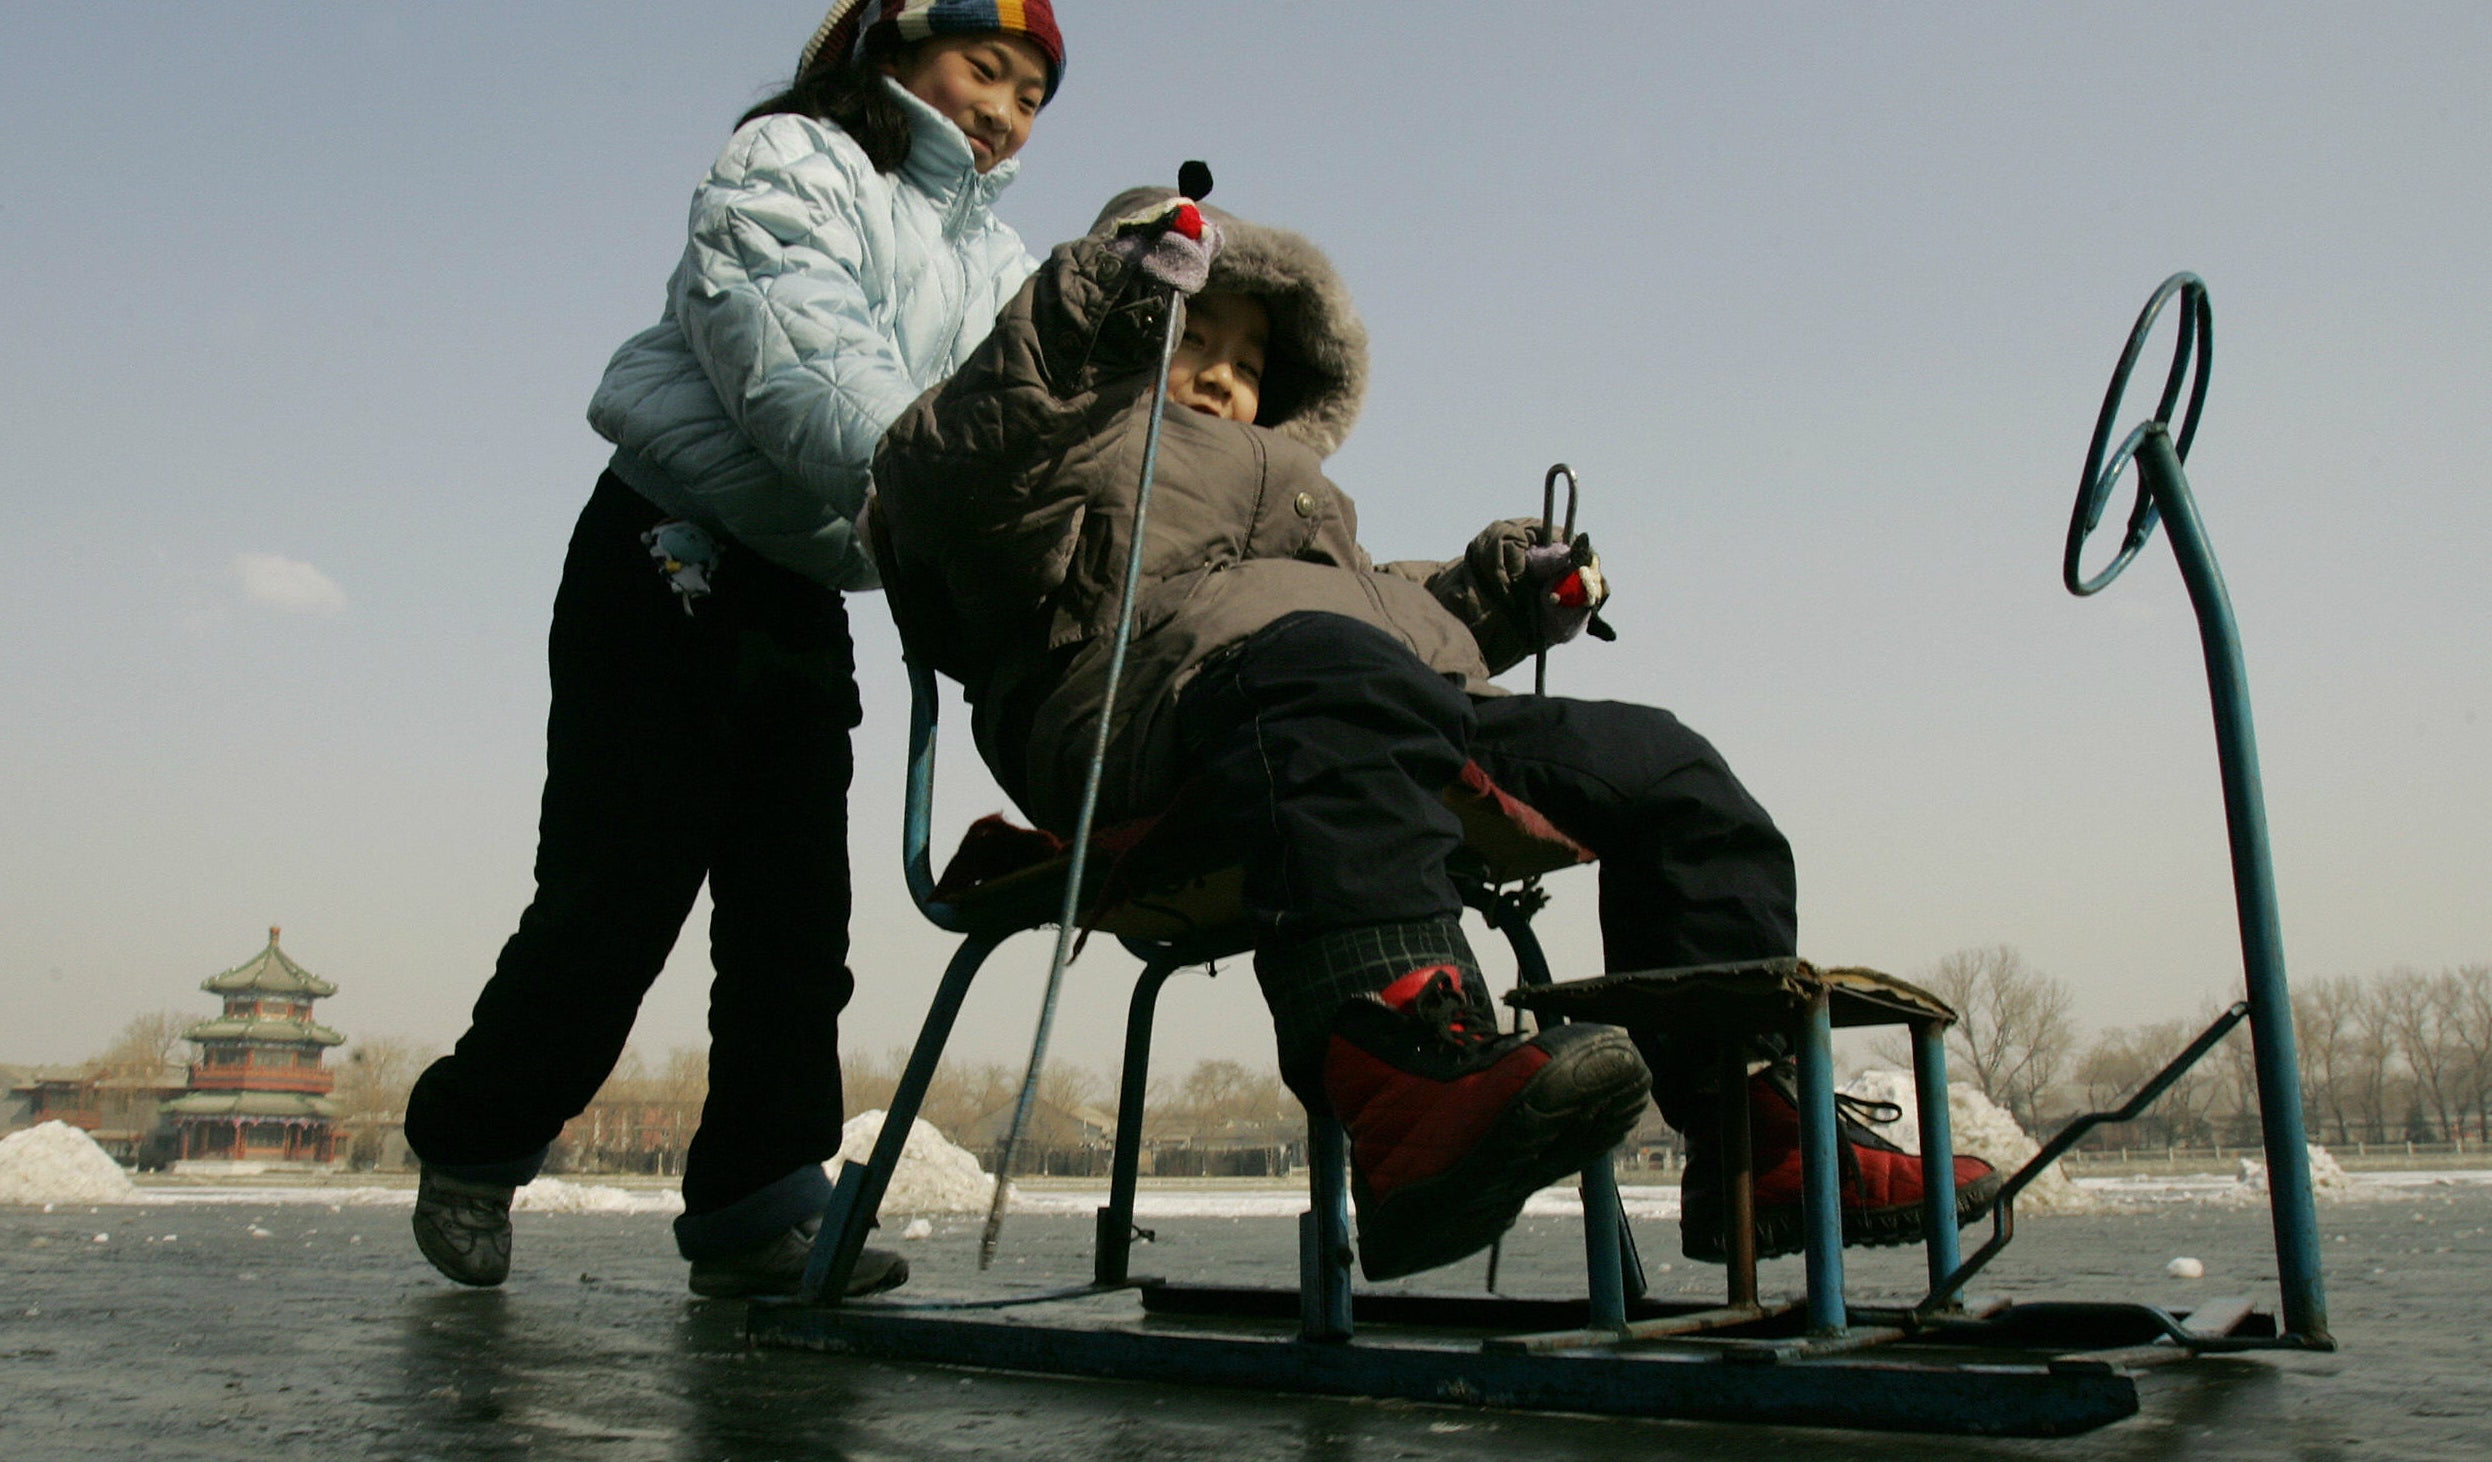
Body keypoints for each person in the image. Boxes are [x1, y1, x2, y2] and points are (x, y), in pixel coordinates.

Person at [871, 189, 2000, 1277]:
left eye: (1250, 361)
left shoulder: (1301, 502)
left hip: (1344, 699)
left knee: (1662, 764)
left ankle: (1757, 1129)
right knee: (1330, 669)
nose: (1221, 372)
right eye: (1190, 333)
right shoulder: (1059, 454)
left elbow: (1396, 613)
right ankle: (1405, 1072)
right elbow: (934, 485)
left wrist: (1504, 595)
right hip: (1153, 720)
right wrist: (1088, 315)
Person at [403, 0, 1065, 1300]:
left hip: (808, 579)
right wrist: (932, 496)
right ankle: (476, 1139)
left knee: (795, 915)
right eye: (983, 67)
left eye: (1033, 94)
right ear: (886, 49)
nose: (1004, 108)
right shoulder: (793, 161)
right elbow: (797, 347)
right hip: (672, 543)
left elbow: (1026, 413)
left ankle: (759, 1204)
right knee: (623, 875)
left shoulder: (997, 259)